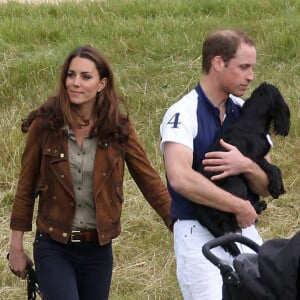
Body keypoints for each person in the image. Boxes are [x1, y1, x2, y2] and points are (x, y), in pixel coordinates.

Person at [8, 45, 173, 300]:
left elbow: (149, 180)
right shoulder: (45, 126)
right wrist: (16, 247)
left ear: (101, 84)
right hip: (54, 246)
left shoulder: (119, 128)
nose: (75, 82)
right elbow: (25, 188)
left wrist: (181, 224)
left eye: (86, 76)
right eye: (71, 75)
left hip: (98, 249)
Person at [160, 29, 271, 300]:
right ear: (218, 63)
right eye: (243, 67)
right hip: (196, 230)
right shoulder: (182, 113)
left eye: (252, 68)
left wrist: (244, 164)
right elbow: (180, 177)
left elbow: (268, 183)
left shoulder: (246, 113)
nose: (251, 76)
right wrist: (237, 205)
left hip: (242, 227)